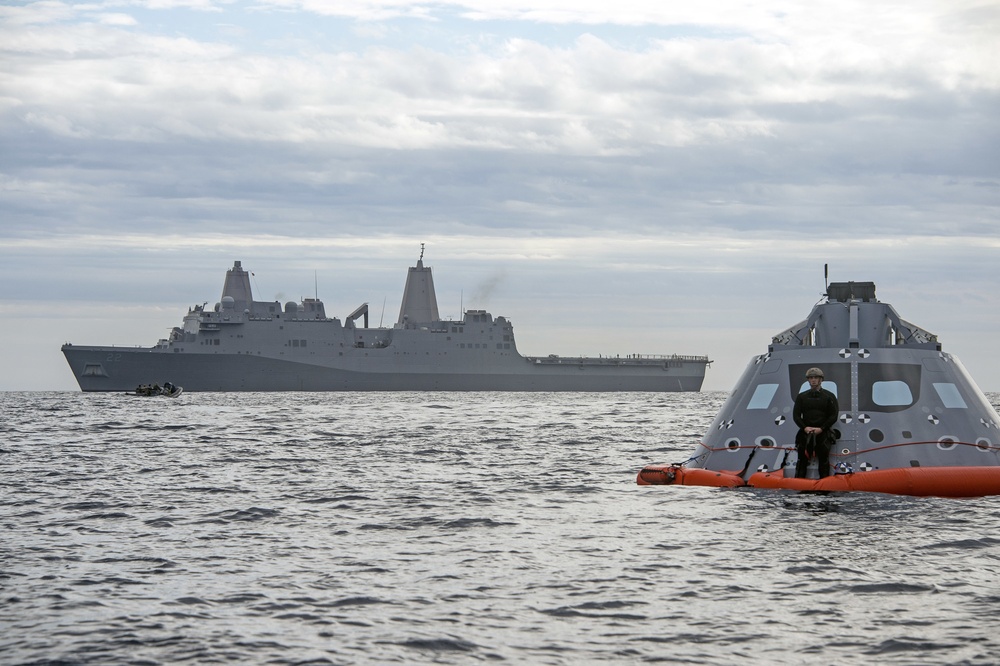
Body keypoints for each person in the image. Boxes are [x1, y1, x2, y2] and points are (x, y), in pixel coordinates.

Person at [793, 367, 839, 478]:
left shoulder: (829, 396)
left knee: (824, 461)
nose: (813, 380)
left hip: (822, 434)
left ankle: (824, 487)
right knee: (801, 460)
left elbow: (834, 415)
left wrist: (822, 428)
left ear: (821, 379)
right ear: (808, 380)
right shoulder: (802, 397)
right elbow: (796, 416)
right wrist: (805, 428)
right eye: (811, 378)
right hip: (806, 433)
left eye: (816, 378)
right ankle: (798, 487)